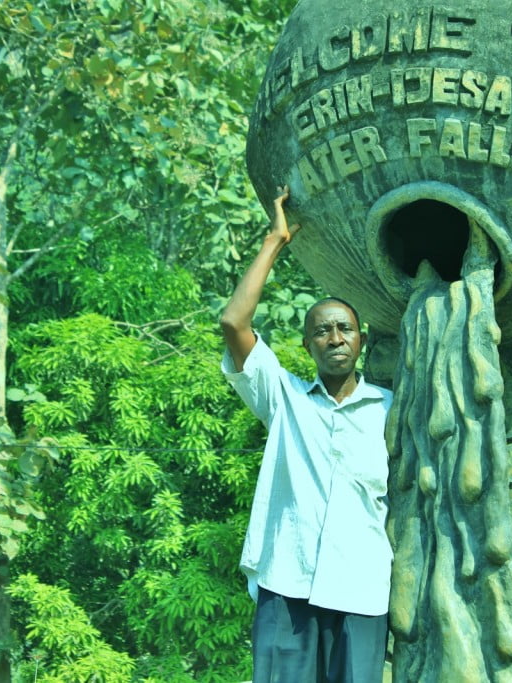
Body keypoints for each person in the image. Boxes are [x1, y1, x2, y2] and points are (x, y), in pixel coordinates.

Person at [219, 186, 393, 683]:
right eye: (322, 330)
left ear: (360, 339)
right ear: (307, 343)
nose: (335, 338)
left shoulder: (389, 409)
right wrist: (276, 240)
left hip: (361, 589)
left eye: (345, 328)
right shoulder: (284, 399)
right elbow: (234, 321)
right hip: (287, 586)